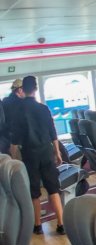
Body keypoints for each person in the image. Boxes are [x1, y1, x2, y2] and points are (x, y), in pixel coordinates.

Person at [11, 76, 65, 235]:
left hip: (29, 154)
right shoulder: (43, 109)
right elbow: (53, 133)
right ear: (35, 89)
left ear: (22, 90)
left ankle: (37, 225)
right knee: (53, 188)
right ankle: (61, 223)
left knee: (34, 190)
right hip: (46, 152)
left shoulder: (18, 111)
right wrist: (57, 151)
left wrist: (14, 159)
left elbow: (15, 140)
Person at [0, 79, 25, 156]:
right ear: (20, 90)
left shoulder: (4, 101)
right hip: (18, 142)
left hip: (5, 140)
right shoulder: (23, 104)